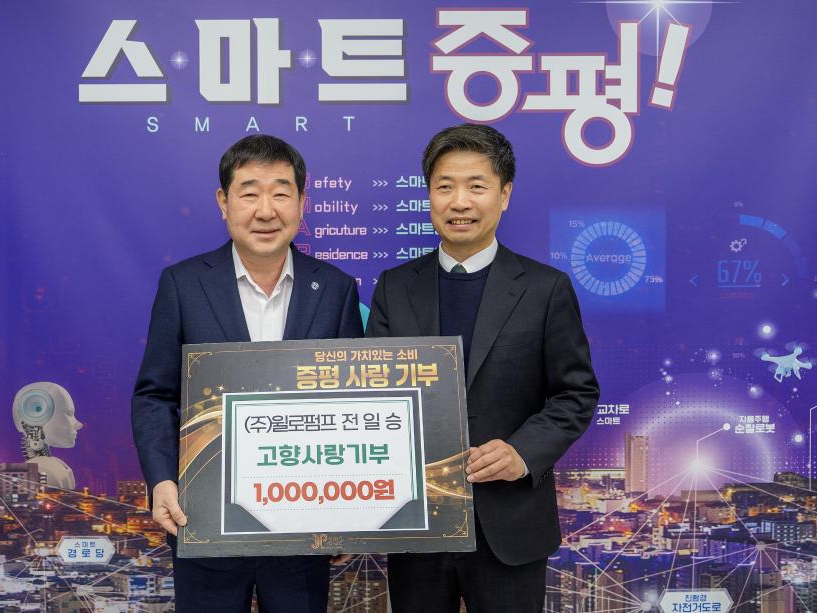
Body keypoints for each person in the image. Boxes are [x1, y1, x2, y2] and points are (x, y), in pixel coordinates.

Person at [367, 124, 599, 612]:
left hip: (510, 523)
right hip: (417, 524)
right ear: (429, 195)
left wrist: (522, 452)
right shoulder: (395, 286)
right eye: (444, 186)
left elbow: (575, 394)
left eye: (476, 186)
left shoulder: (545, 289)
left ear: (504, 194)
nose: (459, 202)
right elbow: (373, 396)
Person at [132, 134, 363, 612]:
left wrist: (350, 516)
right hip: (205, 518)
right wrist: (161, 480)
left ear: (302, 203)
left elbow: (351, 406)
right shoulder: (183, 285)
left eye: (281, 193)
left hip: (304, 526)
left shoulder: (335, 289)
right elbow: (155, 395)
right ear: (224, 202)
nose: (265, 210)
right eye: (249, 193)